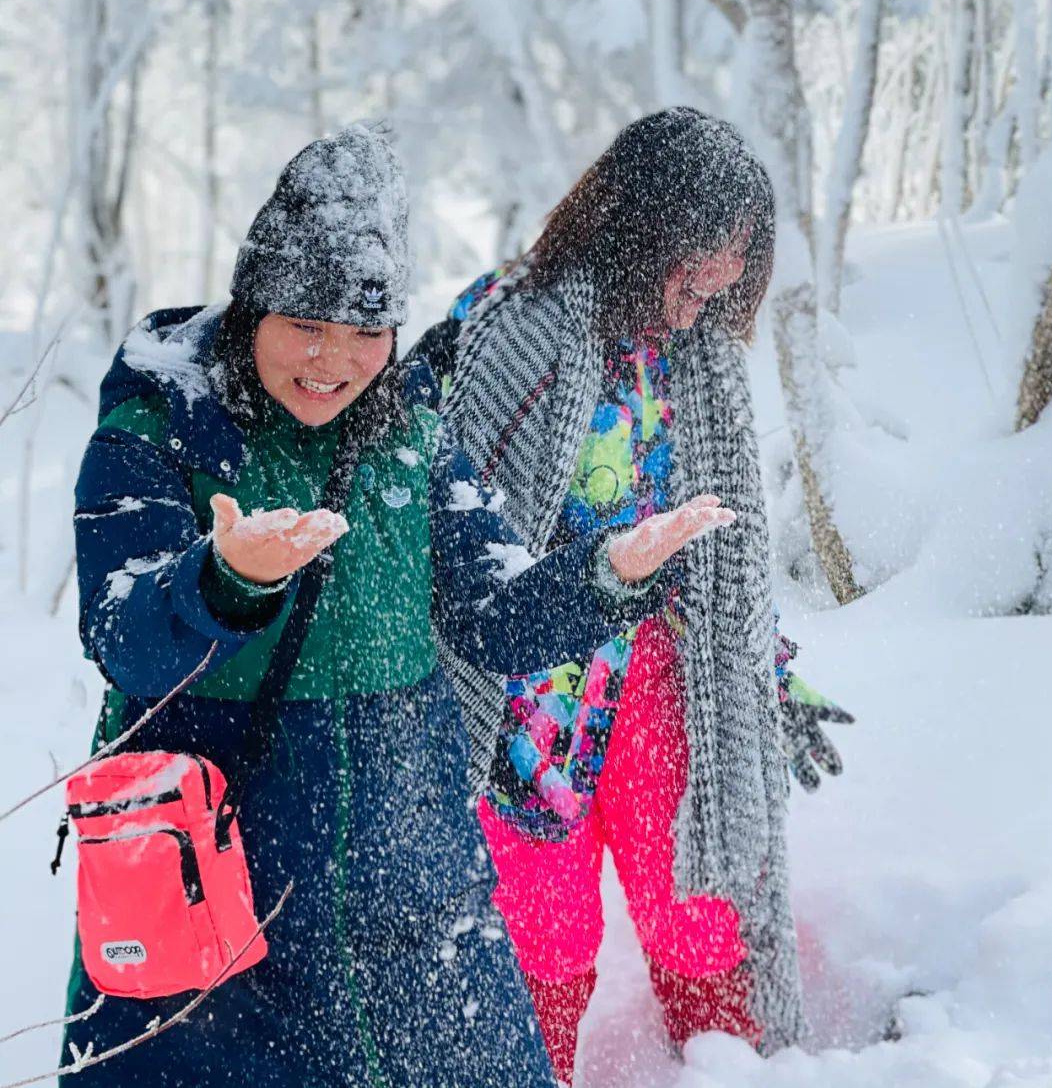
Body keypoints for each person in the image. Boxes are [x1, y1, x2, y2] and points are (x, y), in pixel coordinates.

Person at [61, 124, 736, 1088]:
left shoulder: (407, 436)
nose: (333, 360)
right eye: (306, 325)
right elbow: (123, 635)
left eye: (365, 332)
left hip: (409, 894)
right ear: (256, 305)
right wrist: (225, 580)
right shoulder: (158, 429)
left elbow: (497, 612)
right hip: (215, 894)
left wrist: (606, 572)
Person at [413, 107, 853, 1084]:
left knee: (697, 901)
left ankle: (733, 1066)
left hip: (659, 673)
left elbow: (717, 532)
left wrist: (764, 670)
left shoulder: (691, 353)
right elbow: (438, 504)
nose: (711, 293)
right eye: (701, 263)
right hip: (531, 687)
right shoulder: (509, 319)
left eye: (731, 270)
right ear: (645, 225)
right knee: (541, 930)